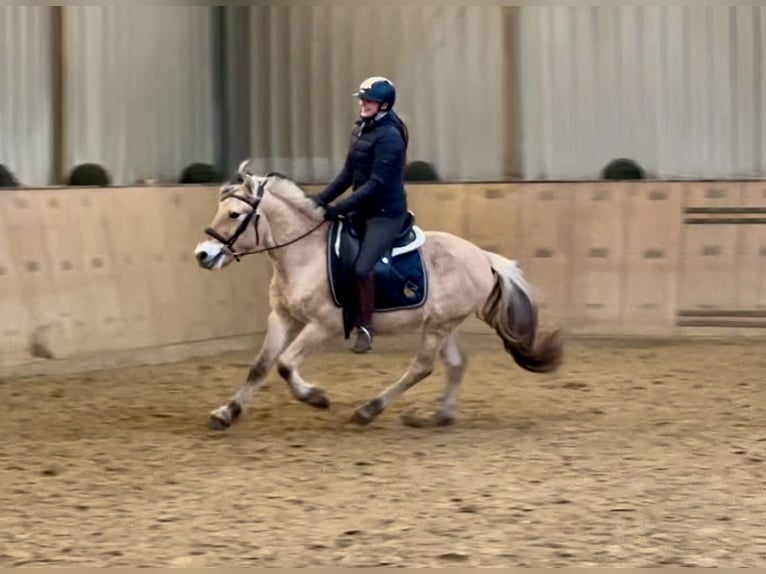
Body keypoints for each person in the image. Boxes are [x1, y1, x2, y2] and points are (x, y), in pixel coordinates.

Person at [313, 76, 410, 354]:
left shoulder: (390, 137)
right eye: (363, 100)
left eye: (369, 101)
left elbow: (376, 184)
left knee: (362, 267)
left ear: (384, 105)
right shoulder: (361, 131)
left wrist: (338, 208)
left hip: (385, 214)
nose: (363, 104)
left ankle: (366, 327)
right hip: (361, 209)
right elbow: (347, 175)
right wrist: (318, 201)